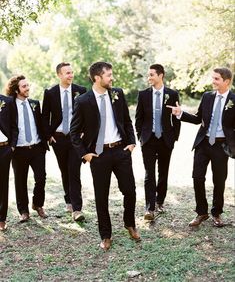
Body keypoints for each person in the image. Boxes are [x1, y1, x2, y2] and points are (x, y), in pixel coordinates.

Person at [70, 61, 140, 251]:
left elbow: (126, 120)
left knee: (130, 191)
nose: (112, 78)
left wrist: (131, 143)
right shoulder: (83, 101)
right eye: (108, 75)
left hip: (121, 151)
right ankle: (105, 235)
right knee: (102, 197)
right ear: (97, 78)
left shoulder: (117, 94)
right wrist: (85, 154)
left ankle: (130, 224)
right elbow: (74, 132)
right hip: (98, 155)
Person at [168, 67, 235, 227]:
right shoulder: (207, 97)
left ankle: (216, 213)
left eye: (216, 79)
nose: (213, 81)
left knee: (219, 180)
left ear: (226, 81)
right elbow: (198, 118)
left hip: (221, 146)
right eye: (213, 78)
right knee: (197, 177)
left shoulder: (234, 99)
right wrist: (180, 113)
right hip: (203, 144)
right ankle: (201, 212)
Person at [135, 64, 181, 220]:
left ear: (161, 75)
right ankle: (150, 208)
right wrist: (140, 136)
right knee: (149, 173)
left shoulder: (172, 94)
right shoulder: (143, 95)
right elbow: (138, 118)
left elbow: (176, 117)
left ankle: (160, 200)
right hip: (148, 139)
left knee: (163, 172)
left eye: (151, 75)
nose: (149, 78)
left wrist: (174, 137)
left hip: (166, 140)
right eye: (148, 75)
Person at [42, 62, 86, 221]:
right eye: (67, 73)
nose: (71, 75)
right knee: (64, 170)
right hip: (58, 138)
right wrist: (49, 136)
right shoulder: (50, 92)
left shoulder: (81, 91)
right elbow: (45, 116)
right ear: (59, 75)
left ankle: (77, 208)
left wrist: (83, 132)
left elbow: (87, 114)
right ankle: (68, 199)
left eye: (71, 72)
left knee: (74, 170)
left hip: (75, 138)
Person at [6, 75, 48, 222]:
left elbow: (41, 124)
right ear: (16, 89)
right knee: (20, 181)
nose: (28, 88)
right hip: (18, 150)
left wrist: (47, 137)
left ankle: (37, 204)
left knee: (41, 177)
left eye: (28, 85)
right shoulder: (9, 105)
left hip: (37, 148)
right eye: (24, 86)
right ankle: (23, 211)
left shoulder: (35, 104)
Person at [0, 94, 18, 230]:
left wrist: (11, 146)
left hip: (4, 148)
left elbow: (14, 125)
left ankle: (2, 218)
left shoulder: (7, 101)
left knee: (2, 183)